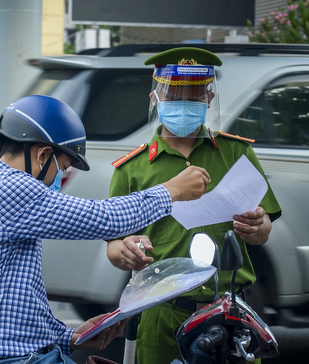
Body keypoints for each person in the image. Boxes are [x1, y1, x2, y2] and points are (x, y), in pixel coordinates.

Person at [0, 94, 212, 364]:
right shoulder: (8, 188)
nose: (59, 178)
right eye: (63, 167)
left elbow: (10, 305)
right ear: (43, 154)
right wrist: (171, 190)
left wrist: (68, 337)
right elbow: (105, 218)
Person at [105, 48, 282, 364]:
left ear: (209, 98)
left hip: (229, 315)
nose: (183, 101)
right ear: (155, 97)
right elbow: (114, 245)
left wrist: (257, 226)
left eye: (194, 93)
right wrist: (125, 252)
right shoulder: (130, 168)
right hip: (162, 314)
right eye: (174, 93)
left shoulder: (236, 153)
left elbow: (263, 229)